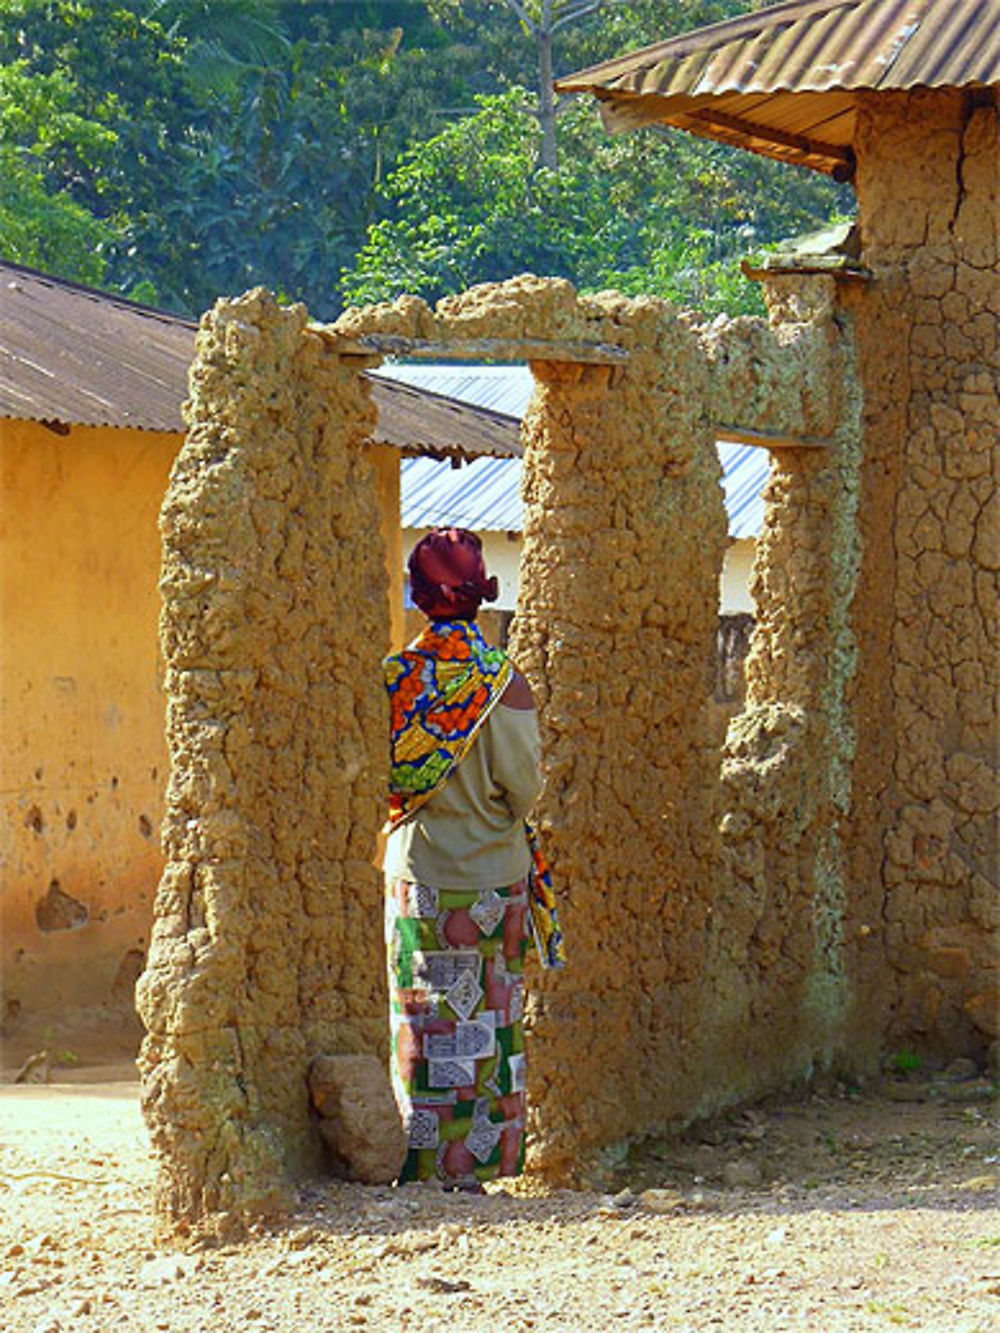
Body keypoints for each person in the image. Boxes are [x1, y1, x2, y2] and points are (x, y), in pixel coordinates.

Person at [383, 527, 558, 1190]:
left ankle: (420, 1159)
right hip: (492, 881)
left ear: (421, 595)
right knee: (487, 1020)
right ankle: (476, 1165)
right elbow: (525, 788)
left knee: (423, 1016)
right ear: (480, 593)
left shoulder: (395, 678)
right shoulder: (503, 684)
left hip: (416, 878)